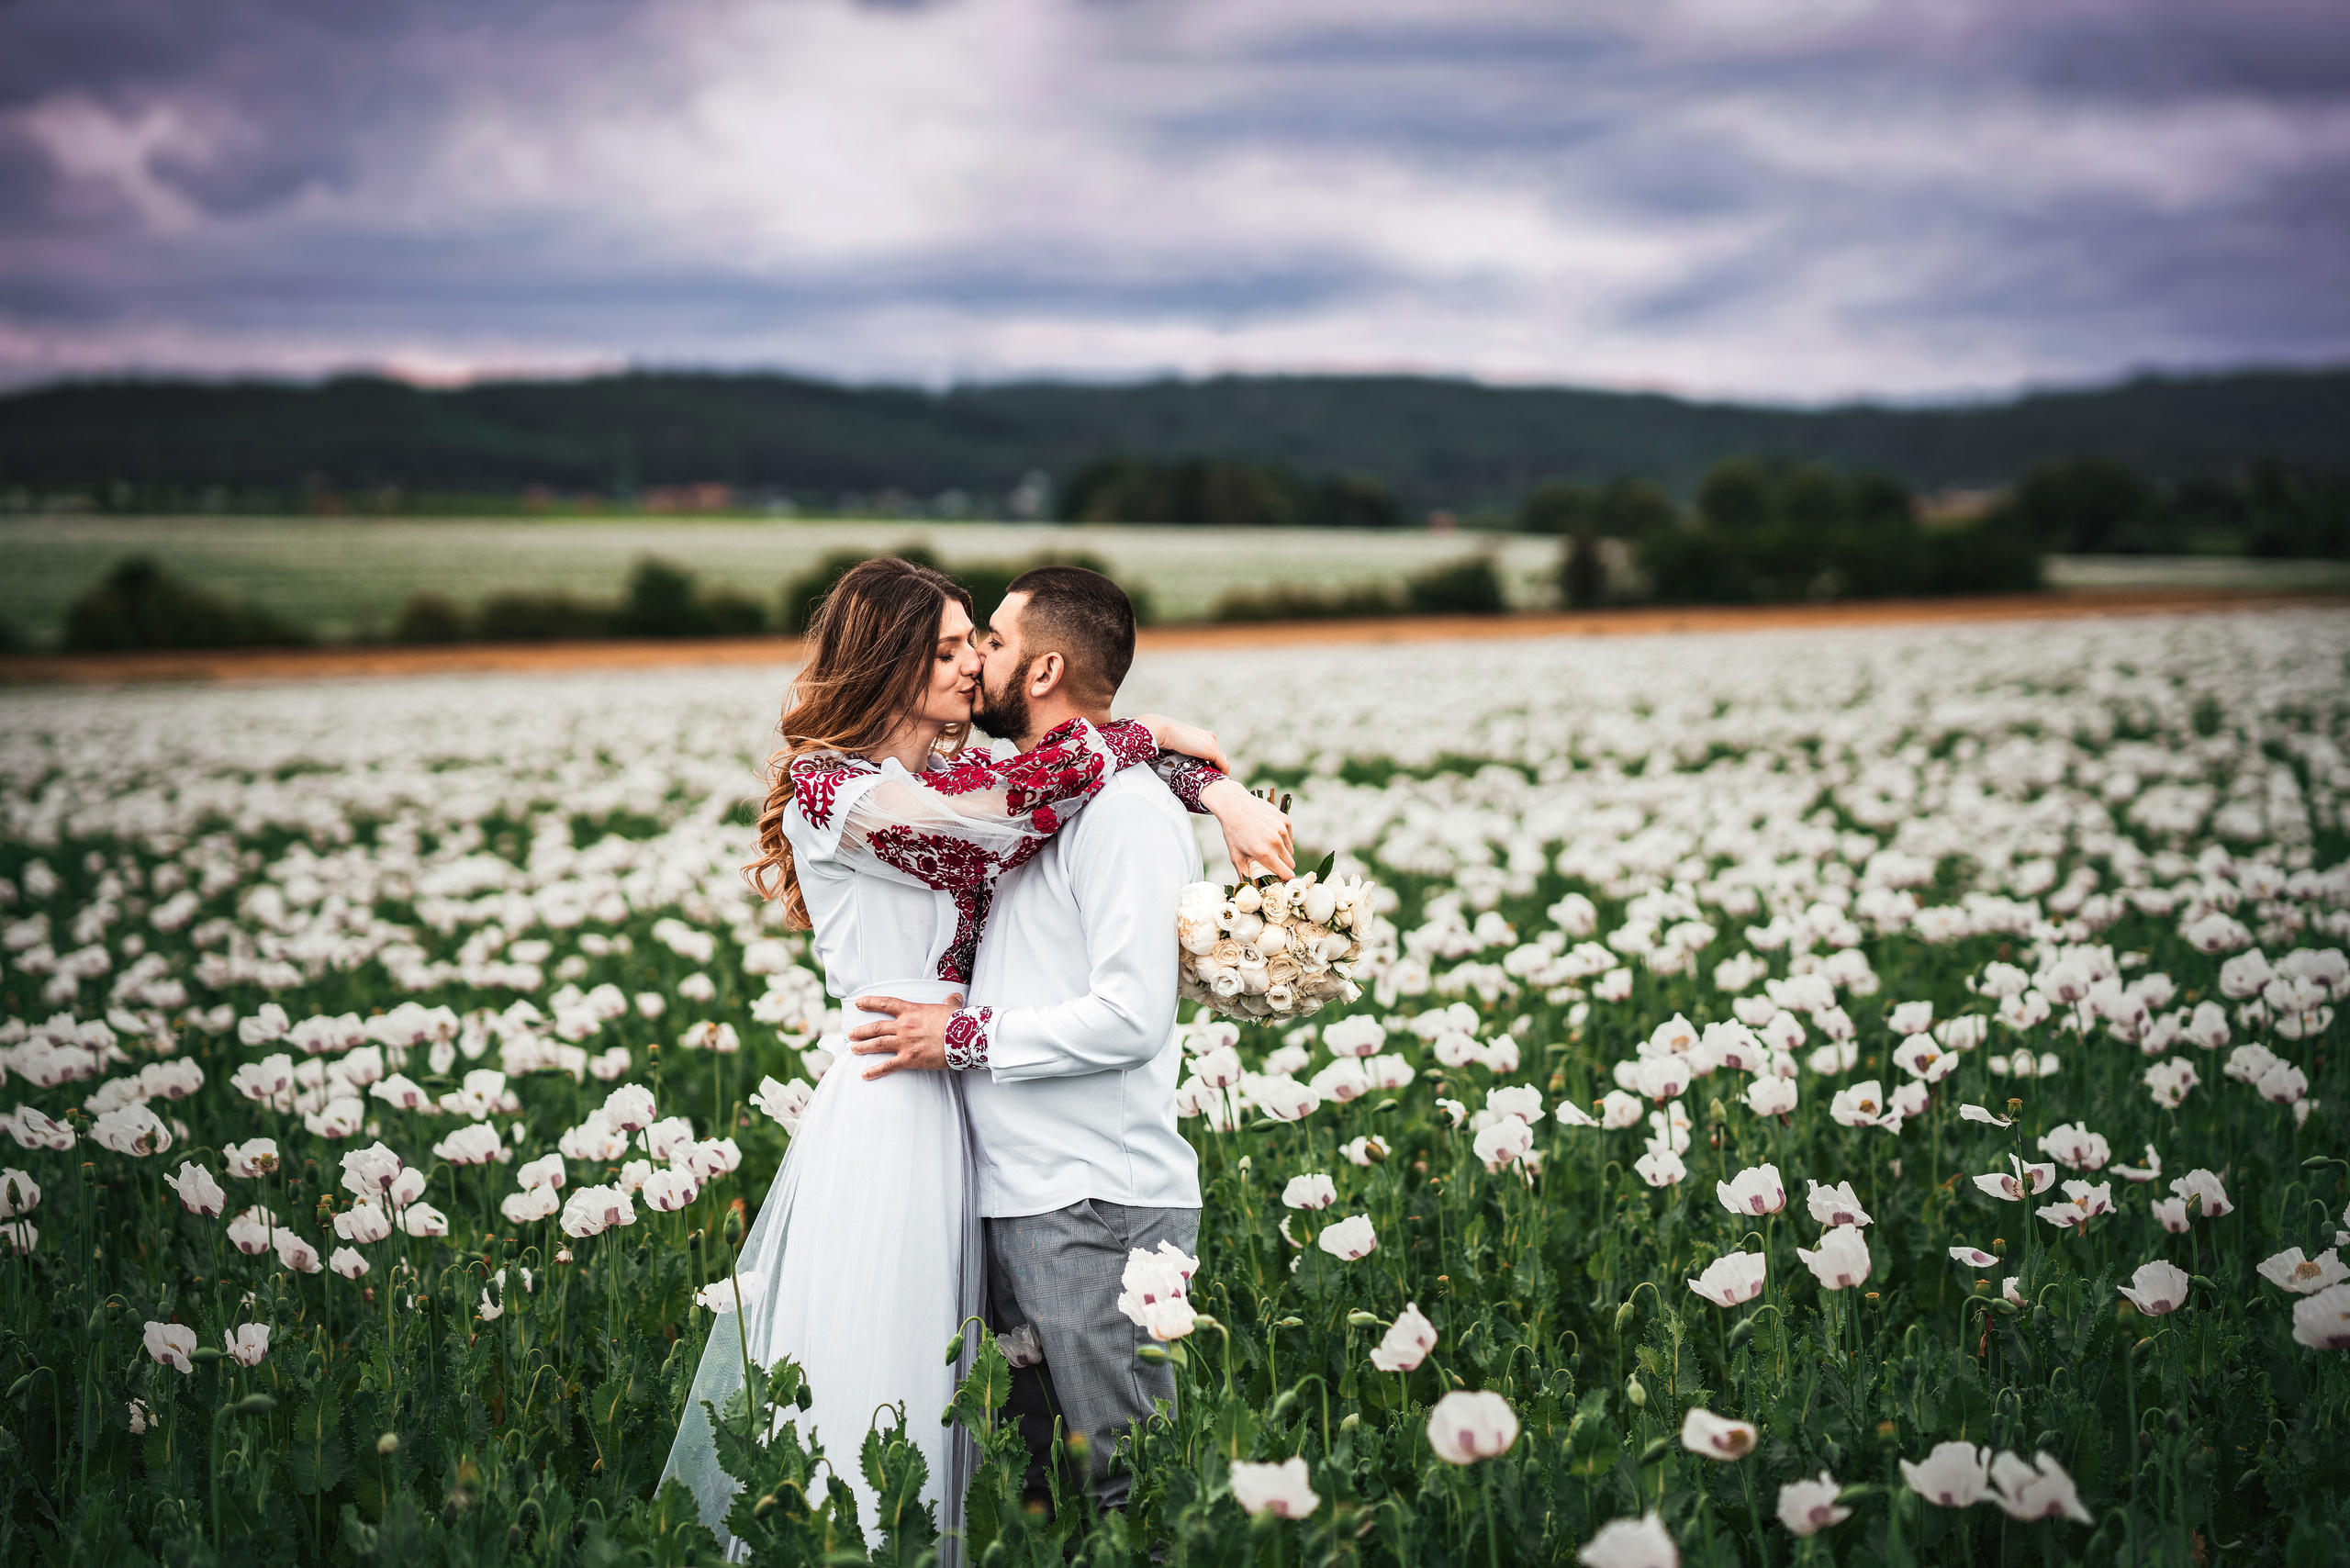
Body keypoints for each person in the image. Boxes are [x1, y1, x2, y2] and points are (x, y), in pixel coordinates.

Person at [659, 556, 1289, 1555]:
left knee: (985, 1415)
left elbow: (1048, 776)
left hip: (969, 1101)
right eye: (947, 647)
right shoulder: (840, 790)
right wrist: (1156, 738)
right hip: (895, 1086)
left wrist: (1212, 788)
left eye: (976, 642)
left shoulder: (948, 772)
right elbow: (1001, 817)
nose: (967, 664)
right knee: (888, 1377)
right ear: (891, 660)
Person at [851, 565, 1262, 1514]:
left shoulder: (1123, 816)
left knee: (1133, 1489)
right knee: (1038, 1498)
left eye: (988, 640)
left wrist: (960, 1036)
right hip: (1019, 1191)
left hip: (1096, 1201)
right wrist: (1179, 755)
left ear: (1037, 670)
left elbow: (1131, 1016)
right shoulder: (1030, 797)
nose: (971, 661)